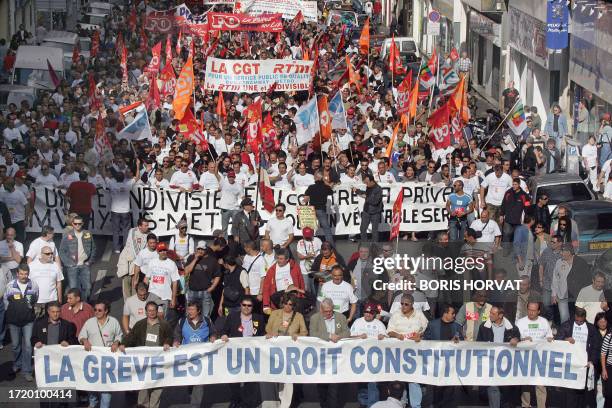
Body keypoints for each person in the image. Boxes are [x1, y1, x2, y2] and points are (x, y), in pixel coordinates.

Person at [120, 301, 173, 408]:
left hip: (158, 362)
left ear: (157, 311)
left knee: (157, 389)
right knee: (143, 389)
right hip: (143, 363)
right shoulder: (140, 324)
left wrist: (168, 342)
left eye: (154, 310)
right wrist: (123, 344)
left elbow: (170, 337)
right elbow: (131, 337)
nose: (152, 312)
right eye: (149, 310)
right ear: (146, 312)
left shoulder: (164, 325)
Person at [386, 293, 429, 408]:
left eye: (406, 304)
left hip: (414, 353)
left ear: (412, 305)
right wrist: (396, 335)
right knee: (399, 379)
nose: (403, 306)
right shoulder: (395, 315)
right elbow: (389, 331)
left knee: (413, 379)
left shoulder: (419, 315)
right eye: (401, 304)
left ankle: (416, 405)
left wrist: (420, 335)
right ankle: (400, 404)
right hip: (398, 353)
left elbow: (425, 328)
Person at [78, 300, 123, 408]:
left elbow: (119, 335)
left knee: (106, 394)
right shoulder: (89, 322)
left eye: (99, 310)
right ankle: (93, 402)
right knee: (91, 389)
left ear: (106, 311)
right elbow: (81, 336)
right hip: (92, 363)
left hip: (108, 364)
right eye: (95, 310)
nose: (96, 312)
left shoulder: (114, 322)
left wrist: (116, 342)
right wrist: (85, 341)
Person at [476, 306, 520, 408]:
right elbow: (479, 344)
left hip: (506, 364)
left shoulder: (512, 328)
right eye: (490, 313)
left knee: (506, 392)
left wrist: (517, 340)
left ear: (500, 315)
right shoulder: (483, 327)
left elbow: (519, 342)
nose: (490, 315)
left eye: (493, 314)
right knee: (493, 388)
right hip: (491, 364)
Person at [173, 301, 215, 407]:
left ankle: (195, 405)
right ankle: (192, 394)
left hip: (202, 358)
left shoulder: (207, 320)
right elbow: (177, 333)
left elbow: (213, 331)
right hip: (187, 358)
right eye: (189, 309)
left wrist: (213, 336)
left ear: (198, 311)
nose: (190, 312)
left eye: (192, 309)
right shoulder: (182, 321)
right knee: (190, 382)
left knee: (199, 383)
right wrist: (176, 341)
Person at [310, 298, 350, 408]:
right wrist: (329, 336)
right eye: (326, 311)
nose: (328, 313)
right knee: (322, 388)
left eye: (330, 310)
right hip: (321, 358)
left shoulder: (340, 317)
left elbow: (347, 332)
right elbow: (312, 333)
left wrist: (338, 337)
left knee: (334, 389)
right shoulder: (315, 318)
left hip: (336, 358)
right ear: (321, 309)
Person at [555, 307, 598, 407]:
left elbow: (596, 346)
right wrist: (565, 339)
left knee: (583, 392)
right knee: (570, 392)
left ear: (585, 318)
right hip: (571, 364)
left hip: (585, 364)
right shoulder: (566, 326)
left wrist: (592, 361)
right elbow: (557, 341)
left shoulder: (591, 329)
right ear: (574, 316)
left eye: (581, 321)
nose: (578, 322)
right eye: (577, 320)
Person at [424, 304, 463, 408]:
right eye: (452, 313)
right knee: (436, 390)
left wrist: (458, 341)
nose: (454, 315)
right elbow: (425, 341)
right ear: (445, 313)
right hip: (436, 363)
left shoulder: (457, 326)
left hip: (451, 364)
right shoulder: (432, 325)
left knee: (450, 391)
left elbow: (463, 343)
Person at [4, 264, 38, 381]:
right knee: (15, 346)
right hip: (14, 322)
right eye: (21, 274)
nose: (24, 276)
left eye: (26, 274)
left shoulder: (33, 285)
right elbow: (6, 302)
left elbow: (36, 298)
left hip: (28, 321)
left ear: (28, 274)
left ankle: (27, 370)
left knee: (28, 346)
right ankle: (17, 364)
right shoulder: (10, 286)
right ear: (17, 274)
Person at [516, 302, 553, 408]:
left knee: (540, 385)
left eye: (534, 310)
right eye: (529, 310)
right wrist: (523, 339)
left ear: (538, 311)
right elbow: (515, 338)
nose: (531, 312)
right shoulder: (520, 322)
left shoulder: (544, 322)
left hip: (540, 358)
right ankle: (525, 405)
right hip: (525, 358)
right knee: (526, 384)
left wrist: (549, 339)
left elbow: (549, 336)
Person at [350, 302, 387, 407]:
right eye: (366, 312)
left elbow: (388, 340)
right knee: (361, 384)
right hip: (359, 359)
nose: (368, 314)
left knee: (373, 384)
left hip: (374, 360)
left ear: (374, 313)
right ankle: (363, 403)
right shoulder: (357, 322)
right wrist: (358, 337)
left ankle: (373, 405)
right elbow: (349, 337)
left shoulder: (379, 324)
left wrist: (382, 337)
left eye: (370, 313)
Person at [59, 215, 95, 301]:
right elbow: (61, 251)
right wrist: (68, 264)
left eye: (79, 224)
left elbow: (93, 248)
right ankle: (75, 305)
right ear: (72, 224)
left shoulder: (88, 234)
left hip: (84, 265)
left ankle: (85, 305)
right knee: (73, 288)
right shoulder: (68, 235)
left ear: (82, 223)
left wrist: (89, 262)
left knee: (88, 287)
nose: (77, 225)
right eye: (75, 224)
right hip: (72, 266)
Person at [183, 241, 222, 318]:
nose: (200, 251)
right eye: (199, 249)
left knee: (205, 315)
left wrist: (212, 287)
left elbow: (218, 275)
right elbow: (186, 271)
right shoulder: (191, 257)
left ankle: (204, 329)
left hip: (205, 292)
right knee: (190, 314)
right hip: (192, 291)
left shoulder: (212, 260)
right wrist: (195, 259)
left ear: (206, 249)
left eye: (202, 249)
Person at [262, 248, 305, 312]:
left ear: (287, 259)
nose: (278, 260)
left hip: (293, 299)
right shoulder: (271, 270)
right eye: (277, 258)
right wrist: (266, 305)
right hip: (279, 300)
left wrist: (302, 297)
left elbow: (301, 282)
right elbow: (266, 288)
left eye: (281, 259)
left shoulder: (295, 267)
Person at [144, 242, 180, 317]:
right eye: (160, 250)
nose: (163, 252)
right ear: (157, 251)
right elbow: (146, 278)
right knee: (149, 316)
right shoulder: (152, 262)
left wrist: (173, 298)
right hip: (153, 293)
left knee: (163, 318)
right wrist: (144, 292)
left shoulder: (171, 264)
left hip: (166, 295)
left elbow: (175, 282)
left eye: (164, 250)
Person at [119, 218, 150, 299]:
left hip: (138, 263)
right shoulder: (133, 231)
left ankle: (133, 301)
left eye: (147, 225)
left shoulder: (149, 234)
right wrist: (139, 259)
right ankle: (127, 303)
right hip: (128, 261)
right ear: (139, 226)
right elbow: (134, 247)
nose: (147, 227)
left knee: (135, 282)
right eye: (145, 225)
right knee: (126, 282)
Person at [29, 246, 64, 317]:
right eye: (48, 254)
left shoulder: (55, 265)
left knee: (51, 323)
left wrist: (59, 300)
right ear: (41, 254)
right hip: (37, 302)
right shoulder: (32, 265)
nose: (50, 255)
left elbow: (59, 283)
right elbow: (28, 284)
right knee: (38, 324)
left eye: (51, 253)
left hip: (52, 301)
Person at [303, 171, 335, 244]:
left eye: (315, 176)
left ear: (317, 178)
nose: (314, 177)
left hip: (312, 210)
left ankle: (308, 244)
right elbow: (331, 192)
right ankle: (331, 247)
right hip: (321, 210)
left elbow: (306, 198)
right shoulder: (325, 187)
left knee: (310, 228)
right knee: (326, 229)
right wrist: (325, 182)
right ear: (322, 178)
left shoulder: (311, 187)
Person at [107, 172, 135, 253]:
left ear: (115, 178)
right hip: (125, 211)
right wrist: (137, 165)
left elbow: (104, 175)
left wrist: (104, 165)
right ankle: (125, 246)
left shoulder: (112, 184)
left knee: (116, 230)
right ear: (124, 178)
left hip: (115, 210)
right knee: (126, 229)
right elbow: (137, 177)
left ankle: (116, 248)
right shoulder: (128, 184)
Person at [353, 173, 383, 242]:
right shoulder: (368, 187)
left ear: (372, 181)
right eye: (365, 182)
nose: (366, 184)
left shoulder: (378, 189)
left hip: (375, 212)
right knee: (362, 229)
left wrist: (367, 197)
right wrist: (357, 191)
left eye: (367, 182)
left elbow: (375, 201)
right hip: (366, 211)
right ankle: (364, 244)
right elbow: (366, 193)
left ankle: (375, 246)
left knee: (374, 231)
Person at [218, 171, 244, 239]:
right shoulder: (223, 183)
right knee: (224, 228)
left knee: (236, 227)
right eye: (229, 177)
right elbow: (216, 175)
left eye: (232, 177)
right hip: (225, 209)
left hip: (235, 209)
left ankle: (236, 242)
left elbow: (242, 197)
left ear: (234, 177)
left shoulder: (238, 186)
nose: (231, 178)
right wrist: (217, 164)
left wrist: (244, 206)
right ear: (227, 177)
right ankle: (225, 244)